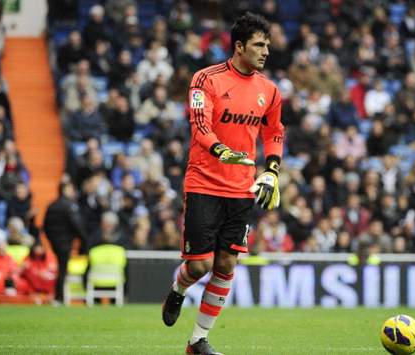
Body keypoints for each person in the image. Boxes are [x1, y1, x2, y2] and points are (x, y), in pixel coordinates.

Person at [161, 13, 284, 355]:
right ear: (240, 46)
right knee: (199, 265)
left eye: (268, 45)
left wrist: (272, 170)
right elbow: (200, 127)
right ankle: (178, 290)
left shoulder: (270, 91)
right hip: (204, 183)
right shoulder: (206, 80)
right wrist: (221, 150)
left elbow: (274, 132)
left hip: (241, 188)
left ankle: (197, 340)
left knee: (227, 264)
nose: (266, 52)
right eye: (259, 45)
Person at [43, 181, 86, 304]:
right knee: (63, 269)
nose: (73, 192)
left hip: (55, 242)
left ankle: (59, 296)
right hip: (65, 242)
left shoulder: (51, 206)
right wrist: (83, 239)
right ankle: (59, 297)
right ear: (65, 189)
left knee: (61, 268)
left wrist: (52, 239)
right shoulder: (70, 206)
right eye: (71, 189)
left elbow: (46, 226)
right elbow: (76, 224)